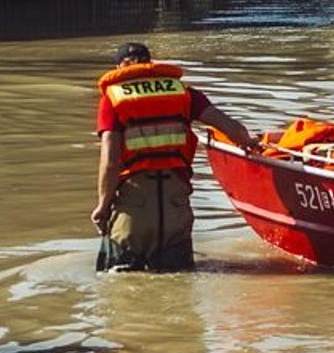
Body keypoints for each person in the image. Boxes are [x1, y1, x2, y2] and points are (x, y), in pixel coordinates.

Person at [92, 41, 259, 272]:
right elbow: (234, 130)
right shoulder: (183, 92)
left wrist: (102, 206)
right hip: (175, 203)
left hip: (134, 205)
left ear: (120, 67)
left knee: (119, 283)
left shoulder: (113, 99)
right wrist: (250, 143)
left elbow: (110, 162)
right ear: (150, 62)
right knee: (180, 277)